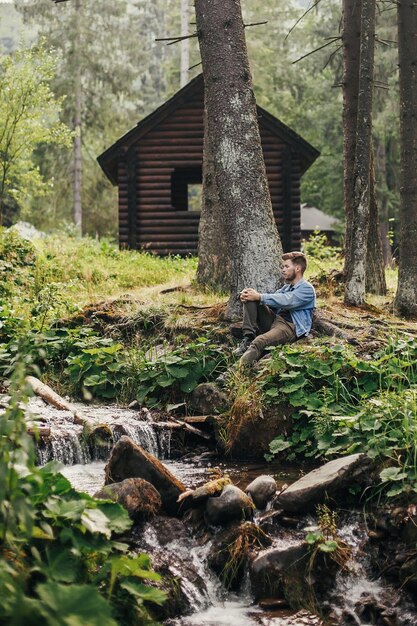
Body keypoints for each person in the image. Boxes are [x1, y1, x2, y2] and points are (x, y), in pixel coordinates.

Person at [234, 251, 316, 366]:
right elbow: (272, 300)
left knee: (259, 341)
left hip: (289, 327)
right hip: (274, 320)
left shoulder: (307, 289)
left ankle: (232, 373)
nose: (283, 270)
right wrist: (246, 295)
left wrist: (259, 296)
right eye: (283, 267)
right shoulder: (286, 288)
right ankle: (248, 337)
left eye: (287, 266)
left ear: (297, 268)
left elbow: (287, 300)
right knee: (251, 297)